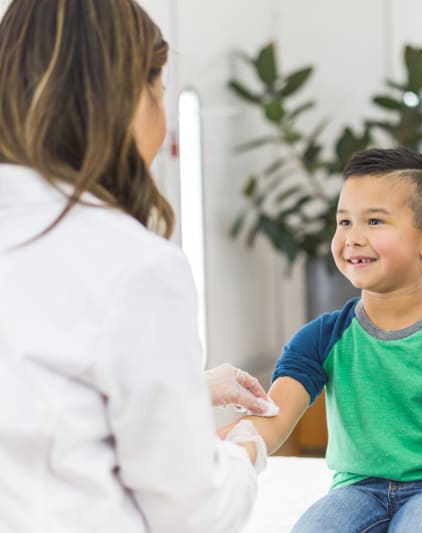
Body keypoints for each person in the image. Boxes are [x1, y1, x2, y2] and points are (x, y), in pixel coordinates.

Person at [0, 1, 273, 531]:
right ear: (132, 95)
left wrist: (187, 389)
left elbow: (40, 401)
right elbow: (194, 513)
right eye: (161, 87)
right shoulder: (135, 266)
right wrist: (244, 452)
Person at [231, 147, 422, 532]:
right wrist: (227, 449)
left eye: (375, 221)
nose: (353, 238)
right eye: (345, 221)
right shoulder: (320, 338)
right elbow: (272, 420)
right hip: (357, 489)